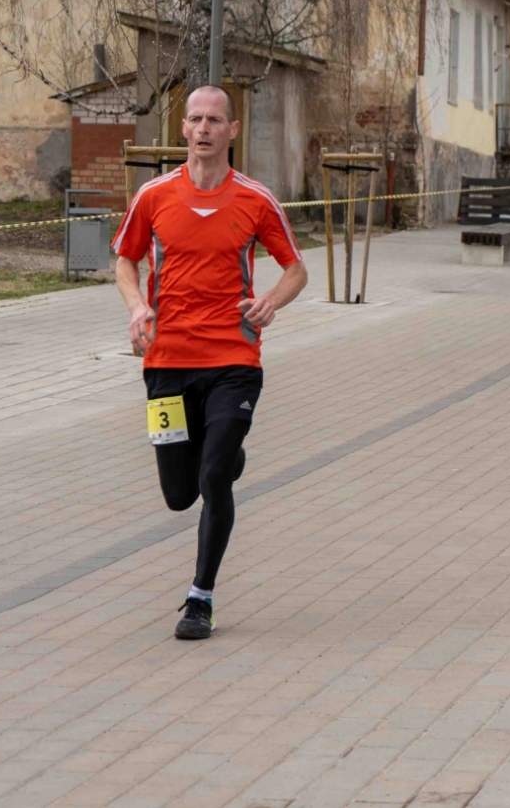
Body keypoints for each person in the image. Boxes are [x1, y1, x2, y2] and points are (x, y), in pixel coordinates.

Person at [114, 85, 309, 640]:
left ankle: (200, 598)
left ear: (233, 130)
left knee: (215, 474)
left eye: (215, 120)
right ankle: (224, 455)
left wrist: (271, 300)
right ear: (183, 129)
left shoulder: (254, 199)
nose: (204, 129)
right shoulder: (153, 196)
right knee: (180, 495)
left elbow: (295, 268)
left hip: (233, 358)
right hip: (166, 360)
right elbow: (125, 262)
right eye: (195, 119)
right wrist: (137, 307)